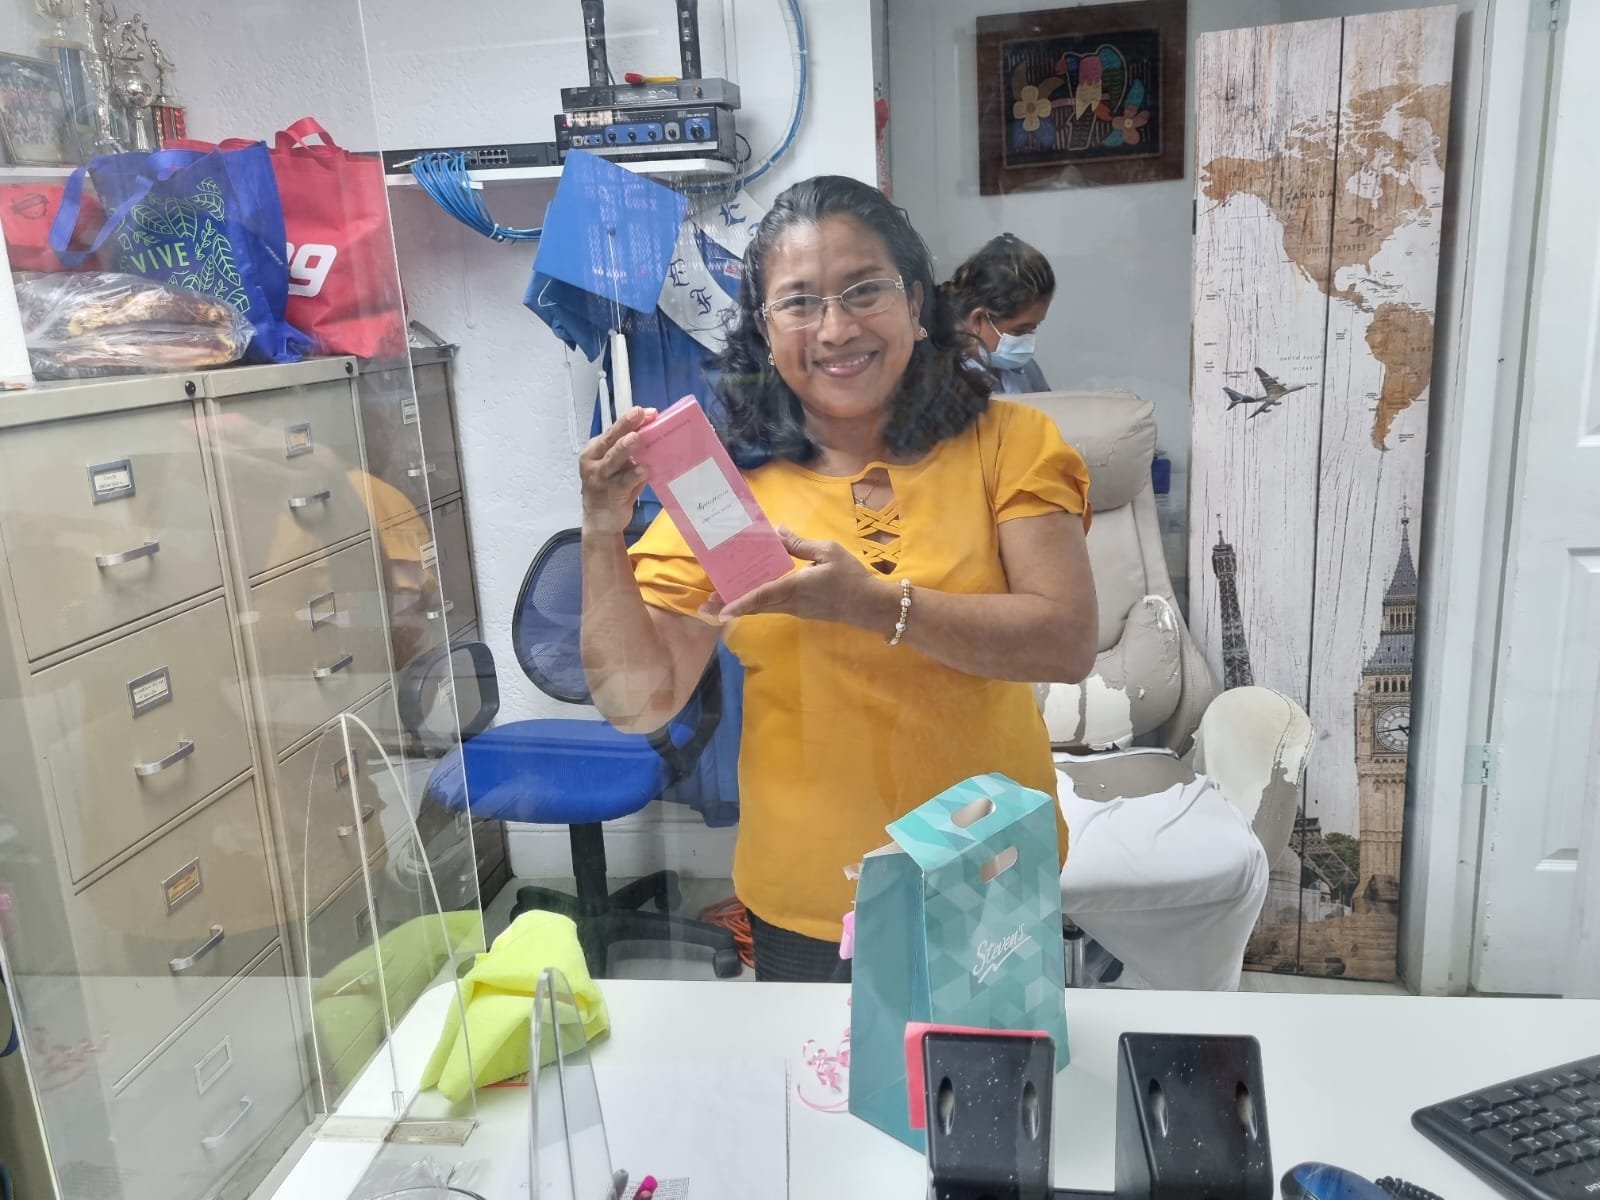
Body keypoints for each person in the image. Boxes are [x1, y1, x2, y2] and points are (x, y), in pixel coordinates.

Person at [578, 176, 1097, 982]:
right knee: (828, 1072)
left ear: (916, 303)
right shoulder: (727, 492)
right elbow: (636, 702)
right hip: (808, 897)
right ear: (764, 327)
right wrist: (602, 532)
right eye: (799, 302)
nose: (836, 328)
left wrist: (875, 607)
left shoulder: (1010, 443)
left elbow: (1064, 641)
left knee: (988, 1070)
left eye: (864, 290)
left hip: (986, 869)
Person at [942, 233, 1056, 394]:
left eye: (1034, 327)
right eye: (1019, 330)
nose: (1029, 341)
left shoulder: (1024, 369)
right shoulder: (943, 379)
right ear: (978, 319)